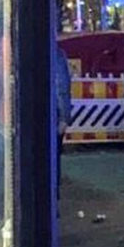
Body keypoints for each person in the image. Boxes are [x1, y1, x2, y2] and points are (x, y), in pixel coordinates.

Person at [54, 41, 72, 194]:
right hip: (53, 115)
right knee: (53, 160)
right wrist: (64, 118)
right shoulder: (57, 55)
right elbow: (62, 88)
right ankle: (53, 196)